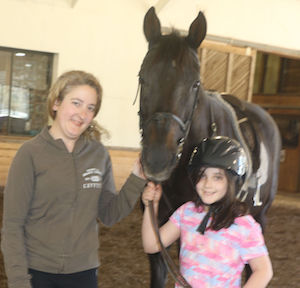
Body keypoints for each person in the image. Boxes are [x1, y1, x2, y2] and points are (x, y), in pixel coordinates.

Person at [1, 70, 146, 288]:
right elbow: (12, 225)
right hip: (37, 272)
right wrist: (19, 281)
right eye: (76, 103)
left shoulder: (98, 155)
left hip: (83, 272)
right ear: (57, 103)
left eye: (90, 108)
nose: (82, 113)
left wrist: (137, 177)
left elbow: (108, 214)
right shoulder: (30, 154)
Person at [142, 136, 273, 288]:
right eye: (202, 176)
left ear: (232, 182)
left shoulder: (243, 225)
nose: (207, 184)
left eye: (218, 177)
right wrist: (151, 205)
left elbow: (263, 270)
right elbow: (151, 245)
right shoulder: (186, 213)